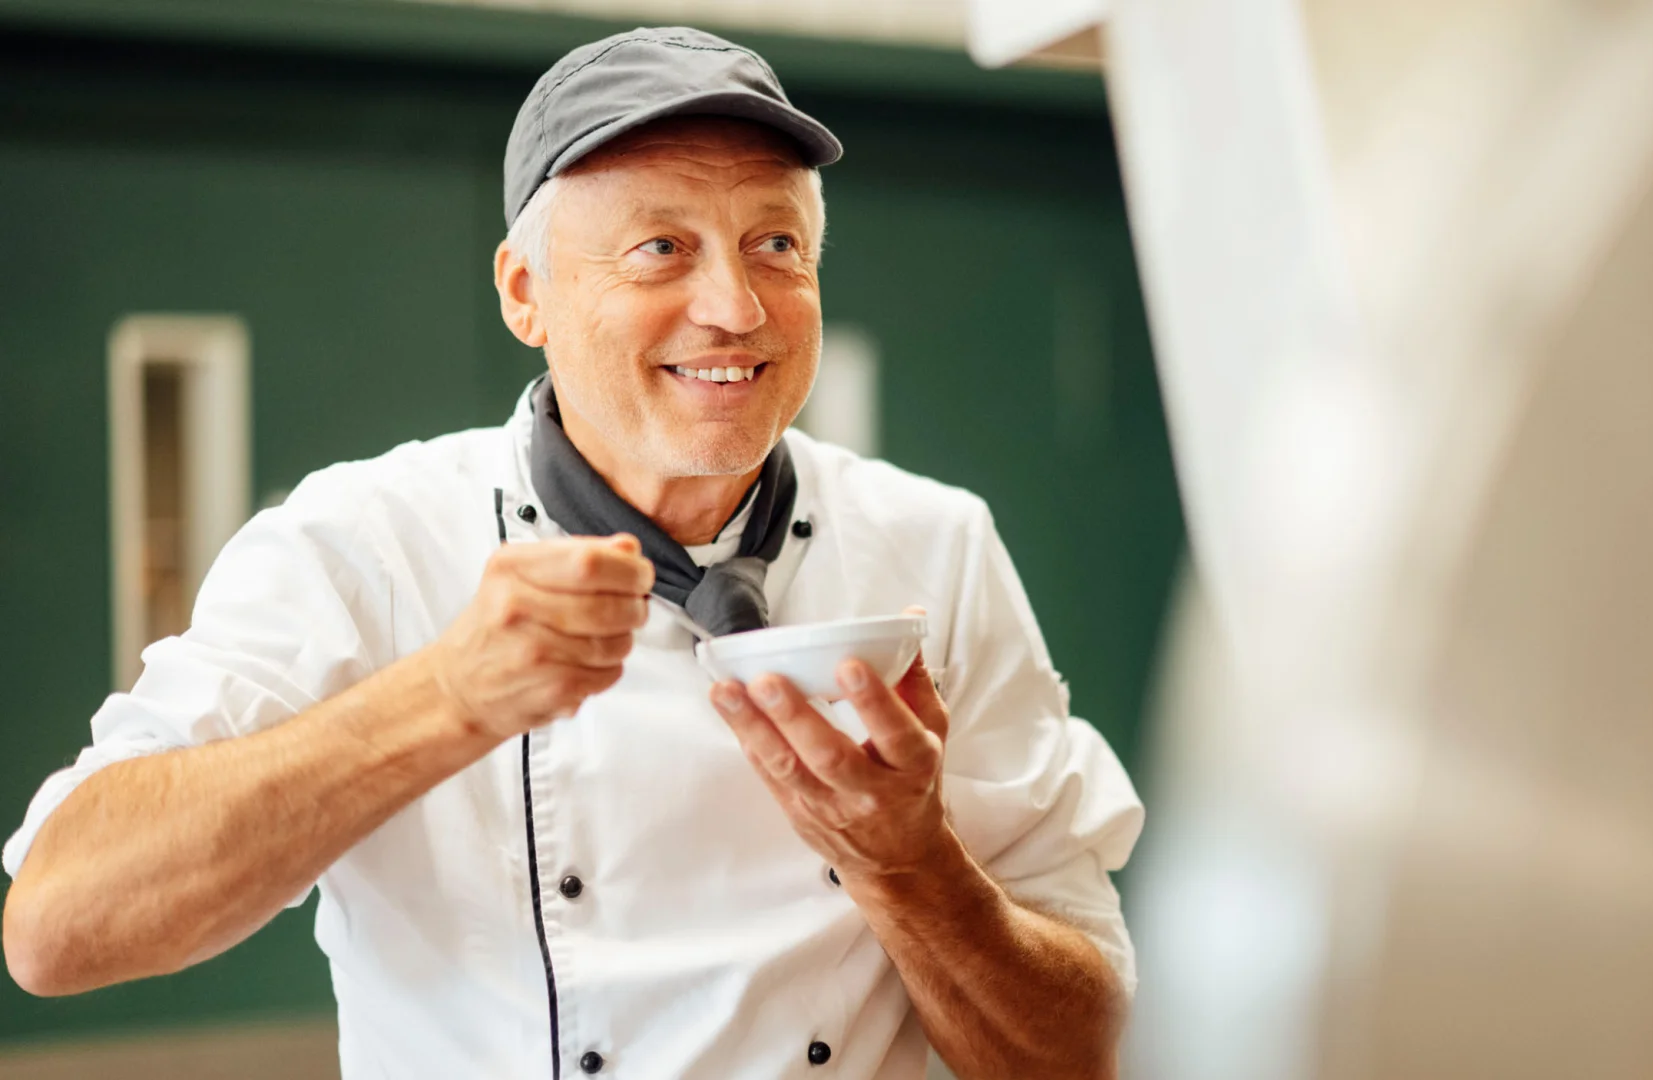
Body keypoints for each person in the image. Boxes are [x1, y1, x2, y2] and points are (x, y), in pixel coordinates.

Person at [0, 25, 1142, 1080]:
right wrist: (444, 698)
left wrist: (912, 867)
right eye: (660, 249)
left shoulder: (933, 548)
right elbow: (59, 928)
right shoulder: (365, 544)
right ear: (524, 293)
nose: (734, 307)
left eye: (775, 244)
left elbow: (1086, 1052)